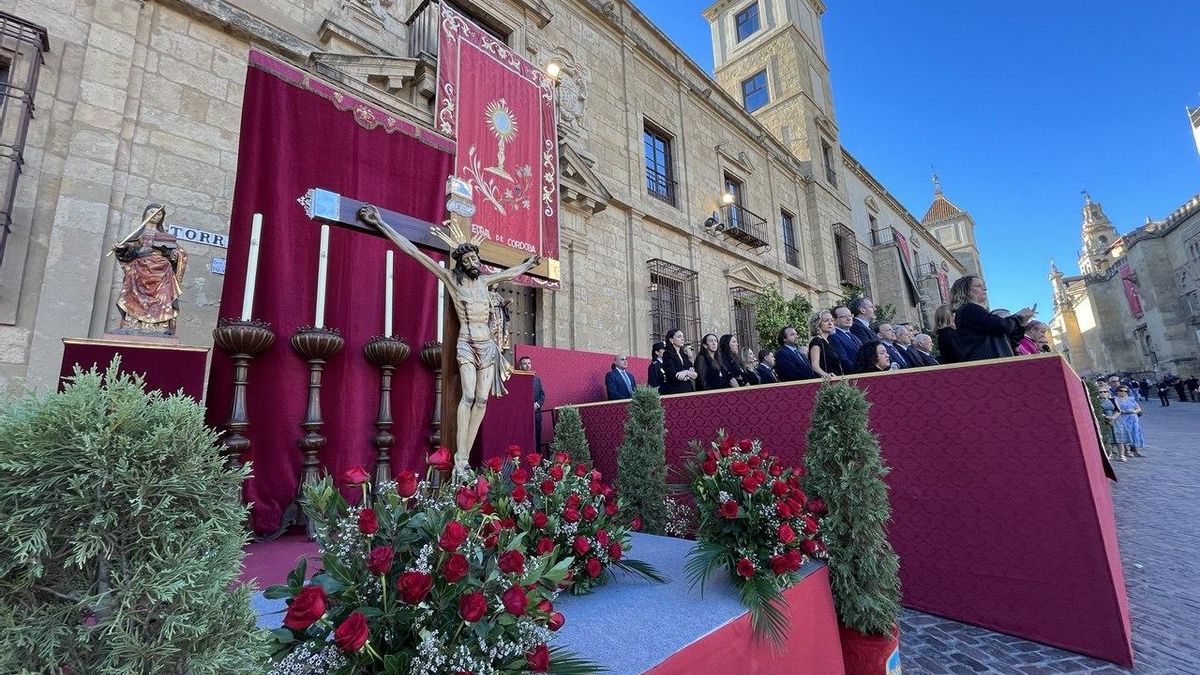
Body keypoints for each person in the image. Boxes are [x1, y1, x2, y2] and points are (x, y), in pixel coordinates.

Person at [360, 199, 541, 472]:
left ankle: (464, 459)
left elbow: (511, 272)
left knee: (482, 400)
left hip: (488, 347)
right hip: (467, 343)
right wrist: (381, 223)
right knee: (467, 397)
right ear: (460, 262)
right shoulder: (452, 280)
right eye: (467, 258)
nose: (473, 261)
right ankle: (460, 461)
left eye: (475, 258)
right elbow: (413, 252)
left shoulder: (485, 281)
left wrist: (527, 264)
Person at [111, 203, 189, 335]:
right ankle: (133, 324)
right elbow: (129, 250)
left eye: (159, 213)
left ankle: (160, 326)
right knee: (134, 295)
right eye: (152, 211)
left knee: (163, 296)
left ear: (162, 218)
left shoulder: (166, 236)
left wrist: (175, 255)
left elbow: (180, 252)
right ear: (146, 213)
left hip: (162, 271)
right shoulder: (137, 235)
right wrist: (121, 248)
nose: (155, 215)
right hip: (139, 269)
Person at [949, 275, 1033, 361]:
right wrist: (1018, 317)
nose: (985, 289)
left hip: (998, 363)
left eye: (984, 285)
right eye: (978, 286)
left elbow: (1012, 341)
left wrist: (1023, 322)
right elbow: (1001, 325)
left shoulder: (977, 312)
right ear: (966, 291)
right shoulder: (968, 309)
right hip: (987, 364)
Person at [517, 356, 546, 452]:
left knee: (537, 440)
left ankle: (538, 463)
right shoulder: (517, 380)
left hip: (536, 415)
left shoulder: (537, 379)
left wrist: (537, 404)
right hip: (523, 417)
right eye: (525, 363)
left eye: (529, 363)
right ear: (520, 366)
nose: (527, 365)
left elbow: (542, 395)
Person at [1111, 385, 1145, 460]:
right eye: (1121, 391)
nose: (1123, 392)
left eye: (1125, 391)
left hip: (1133, 418)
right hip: (1122, 417)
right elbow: (1116, 409)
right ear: (1117, 391)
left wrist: (1133, 411)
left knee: (1135, 433)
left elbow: (1138, 409)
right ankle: (1127, 451)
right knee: (1126, 434)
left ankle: (1137, 451)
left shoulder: (1131, 399)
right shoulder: (1115, 399)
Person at [660, 328, 697, 395]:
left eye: (683, 337)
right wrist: (688, 374)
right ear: (671, 340)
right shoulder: (668, 353)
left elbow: (695, 375)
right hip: (676, 391)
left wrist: (686, 372)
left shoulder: (684, 356)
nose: (682, 339)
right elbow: (672, 374)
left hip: (688, 390)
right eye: (679, 337)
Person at [808, 310, 843, 377]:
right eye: (826, 321)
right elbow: (815, 366)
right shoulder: (816, 341)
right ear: (818, 323)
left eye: (832, 320)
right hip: (827, 383)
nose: (830, 323)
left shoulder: (829, 341)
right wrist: (827, 375)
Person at [829, 305, 863, 374]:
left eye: (850, 315)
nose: (849, 318)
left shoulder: (855, 337)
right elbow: (843, 360)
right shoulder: (834, 337)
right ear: (834, 320)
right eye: (844, 316)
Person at [1097, 384, 1118, 461]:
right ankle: (1108, 454)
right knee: (1107, 436)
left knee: (1114, 435)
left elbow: (1117, 410)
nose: (1103, 393)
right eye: (1100, 392)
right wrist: (1107, 418)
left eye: (1105, 391)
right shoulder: (1097, 402)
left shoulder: (1112, 400)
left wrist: (1113, 418)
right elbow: (1097, 412)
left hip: (1114, 419)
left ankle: (1113, 451)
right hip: (1104, 420)